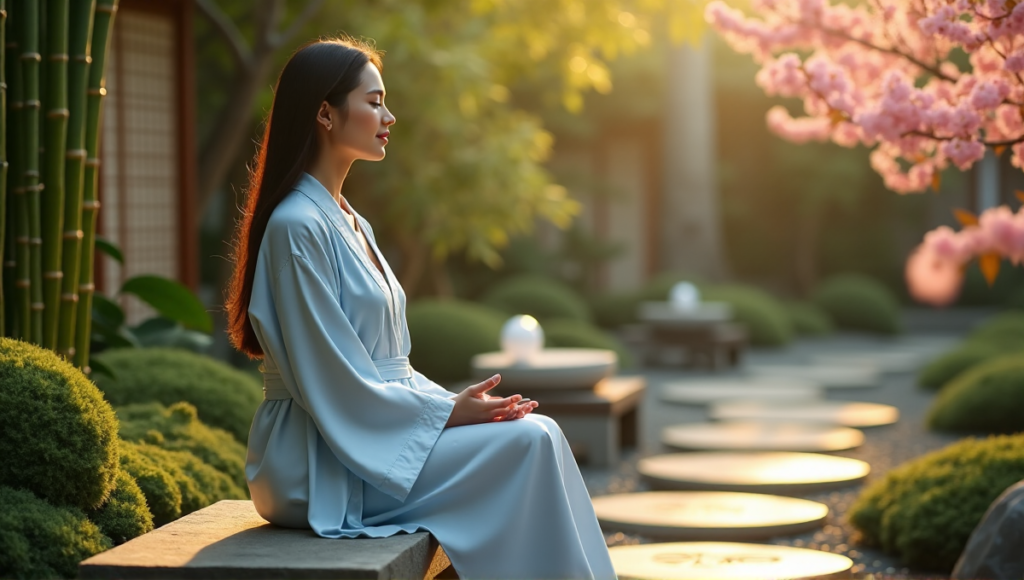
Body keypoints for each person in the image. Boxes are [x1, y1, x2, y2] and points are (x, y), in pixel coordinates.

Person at [224, 37, 617, 579]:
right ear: (325, 114)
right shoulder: (297, 225)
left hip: (373, 430)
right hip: (318, 457)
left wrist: (452, 405)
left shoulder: (349, 219)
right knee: (525, 446)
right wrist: (447, 414)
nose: (389, 115)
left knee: (541, 433)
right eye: (374, 101)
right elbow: (332, 379)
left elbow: (392, 369)